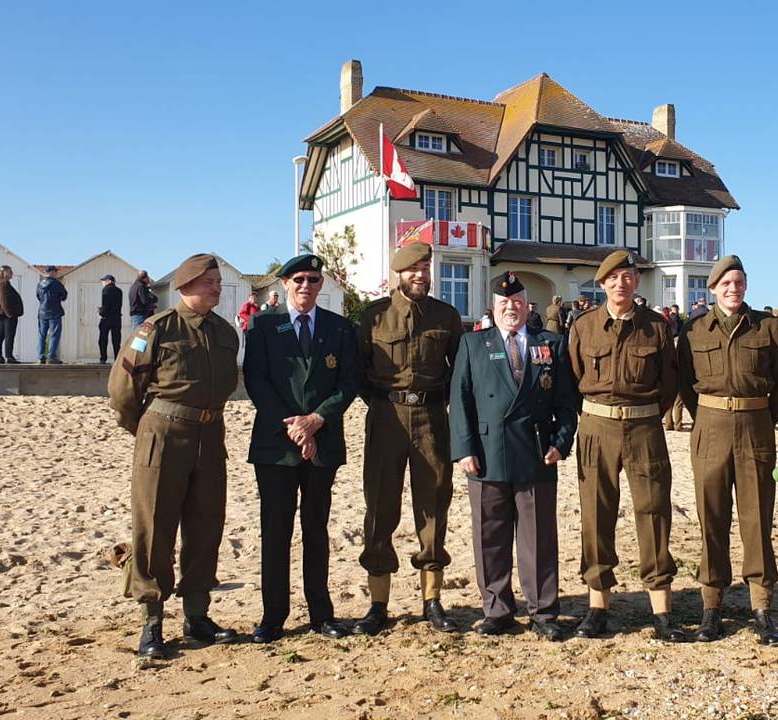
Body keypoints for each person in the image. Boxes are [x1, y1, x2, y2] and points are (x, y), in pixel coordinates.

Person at [107, 254, 240, 658]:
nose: (217, 287)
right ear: (186, 286)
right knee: (155, 529)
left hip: (210, 434)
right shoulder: (158, 328)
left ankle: (197, 617)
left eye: (217, 281)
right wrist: (147, 429)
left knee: (205, 528)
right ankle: (152, 623)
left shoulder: (225, 332)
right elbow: (122, 389)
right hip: (163, 434)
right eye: (209, 282)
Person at [449, 271, 578, 640]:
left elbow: (567, 403)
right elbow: (459, 401)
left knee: (538, 538)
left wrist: (561, 442)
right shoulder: (473, 345)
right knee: (490, 536)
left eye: (518, 302)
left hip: (537, 453)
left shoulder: (550, 344)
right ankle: (497, 609)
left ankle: (543, 612)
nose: (511, 308)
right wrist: (464, 449)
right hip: (487, 454)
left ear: (527, 306)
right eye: (504, 303)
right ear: (493, 307)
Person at [568, 250, 684, 642]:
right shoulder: (584, 327)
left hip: (643, 428)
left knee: (653, 511)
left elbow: (670, 381)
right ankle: (598, 607)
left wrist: (646, 412)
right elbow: (574, 376)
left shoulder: (657, 327)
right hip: (597, 427)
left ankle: (662, 610)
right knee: (596, 514)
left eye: (628, 276)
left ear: (637, 281)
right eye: (613, 278)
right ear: (602, 284)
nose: (621, 284)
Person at [677, 256, 778, 644]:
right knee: (711, 517)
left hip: (755, 427)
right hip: (709, 429)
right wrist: (709, 414)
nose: (733, 288)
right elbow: (682, 381)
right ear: (712, 289)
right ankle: (712, 607)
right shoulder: (694, 329)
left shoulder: (768, 326)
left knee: (757, 518)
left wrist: (760, 415)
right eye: (725, 283)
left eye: (739, 282)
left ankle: (761, 606)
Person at [244, 254, 359, 643]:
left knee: (316, 529)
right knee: (275, 531)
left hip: (322, 442)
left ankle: (321, 613)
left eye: (312, 279)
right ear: (284, 285)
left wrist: (316, 421)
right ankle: (273, 616)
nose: (305, 286)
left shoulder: (340, 329)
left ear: (321, 284)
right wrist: (295, 426)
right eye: (298, 279)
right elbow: (256, 381)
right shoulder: (263, 325)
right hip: (276, 445)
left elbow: (348, 383)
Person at [353, 242, 465, 636]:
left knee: (434, 503)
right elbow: (360, 372)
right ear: (398, 273)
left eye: (426, 267)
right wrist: (386, 403)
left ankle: (431, 600)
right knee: (380, 504)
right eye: (413, 268)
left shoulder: (447, 316)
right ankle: (378, 603)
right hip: (385, 417)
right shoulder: (374, 317)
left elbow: (459, 370)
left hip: (433, 418)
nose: (421, 274)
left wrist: (436, 402)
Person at [35, 266, 68, 364]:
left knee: (41, 335)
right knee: (54, 335)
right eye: (56, 272)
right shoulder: (57, 284)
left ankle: (40, 356)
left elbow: (38, 296)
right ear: (52, 272)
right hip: (55, 312)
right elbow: (64, 296)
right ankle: (51, 357)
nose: (57, 274)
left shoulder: (39, 284)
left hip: (42, 312)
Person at [0, 265, 23, 364]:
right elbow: (4, 300)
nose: (12, 273)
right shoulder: (3, 283)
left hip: (2, 313)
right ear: (4, 272)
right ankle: (9, 356)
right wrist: (9, 313)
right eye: (10, 272)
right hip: (7, 314)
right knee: (9, 335)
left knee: (0, 335)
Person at [99, 274, 124, 364]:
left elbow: (105, 304)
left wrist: (101, 312)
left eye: (104, 281)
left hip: (107, 318)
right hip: (117, 317)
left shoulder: (106, 290)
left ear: (109, 281)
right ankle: (117, 358)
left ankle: (103, 358)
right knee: (116, 340)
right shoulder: (119, 291)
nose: (102, 282)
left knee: (103, 339)